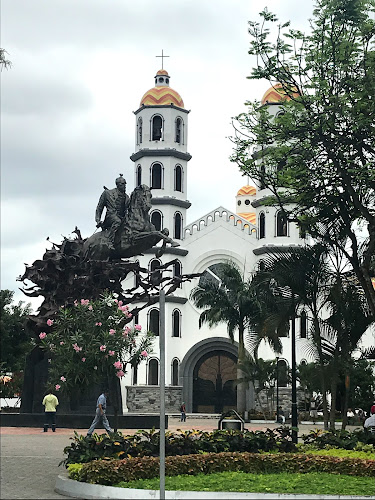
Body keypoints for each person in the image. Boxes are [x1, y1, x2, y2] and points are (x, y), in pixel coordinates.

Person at [95, 174, 130, 250]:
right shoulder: (107, 193)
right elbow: (99, 208)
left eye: (125, 184)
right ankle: (110, 242)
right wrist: (98, 220)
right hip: (111, 217)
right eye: (122, 184)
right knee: (117, 221)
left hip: (122, 218)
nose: (124, 186)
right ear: (117, 185)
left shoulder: (127, 197)